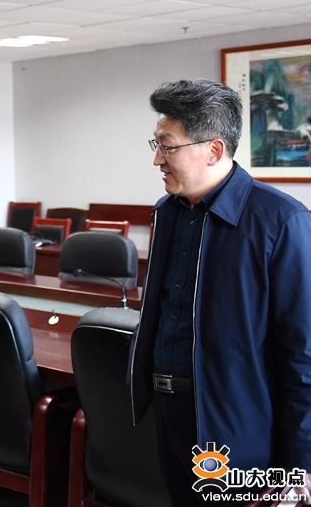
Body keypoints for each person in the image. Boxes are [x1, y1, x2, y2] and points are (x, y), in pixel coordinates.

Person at [129, 79, 311, 506]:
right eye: (156, 145)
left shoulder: (281, 221)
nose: (157, 159)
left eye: (167, 147)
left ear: (213, 150)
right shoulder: (168, 212)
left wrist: (302, 463)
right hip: (171, 412)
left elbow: (303, 353)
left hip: (237, 423)